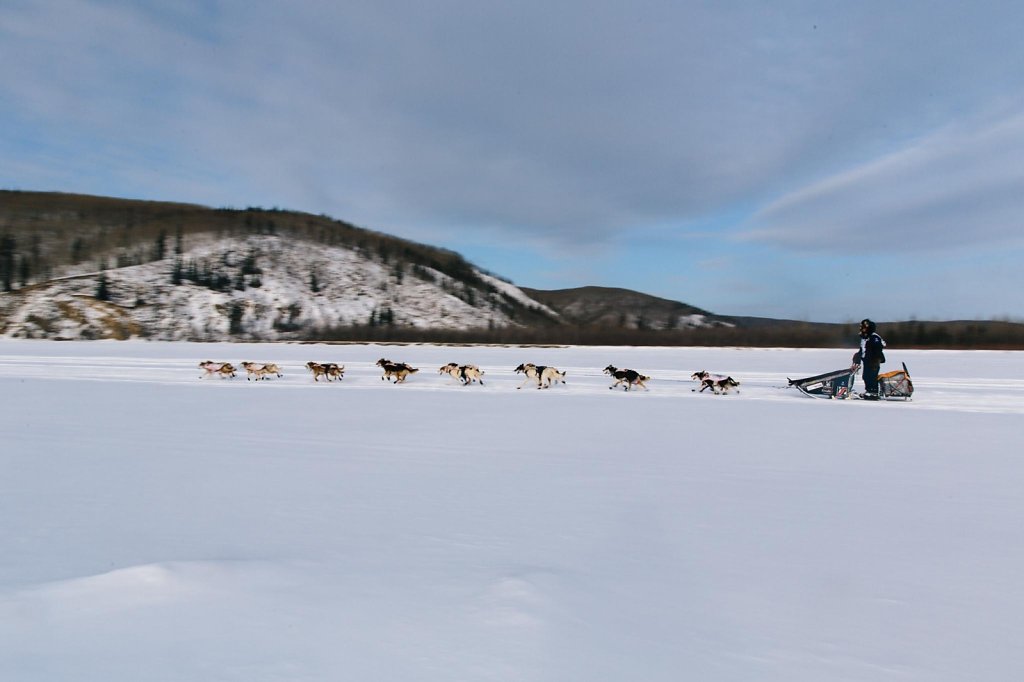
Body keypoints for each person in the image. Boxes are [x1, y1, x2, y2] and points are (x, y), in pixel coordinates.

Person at [851, 318, 886, 400]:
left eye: (864, 328)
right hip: (867, 361)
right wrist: (857, 357)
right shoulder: (864, 338)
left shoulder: (874, 337)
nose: (862, 329)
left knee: (871, 376)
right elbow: (862, 350)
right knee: (866, 376)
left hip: (873, 361)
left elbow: (878, 349)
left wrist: (876, 359)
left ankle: (873, 392)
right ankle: (869, 390)